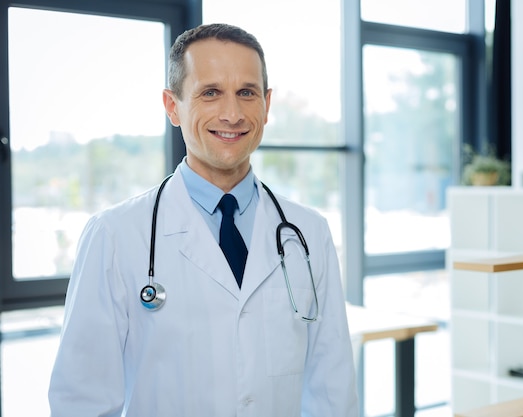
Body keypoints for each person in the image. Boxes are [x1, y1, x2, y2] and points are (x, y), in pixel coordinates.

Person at [48, 23, 358, 416]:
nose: (232, 114)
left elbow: (332, 389)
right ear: (172, 106)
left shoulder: (309, 233)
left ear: (266, 104)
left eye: (246, 93)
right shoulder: (115, 235)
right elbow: (83, 401)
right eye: (210, 93)